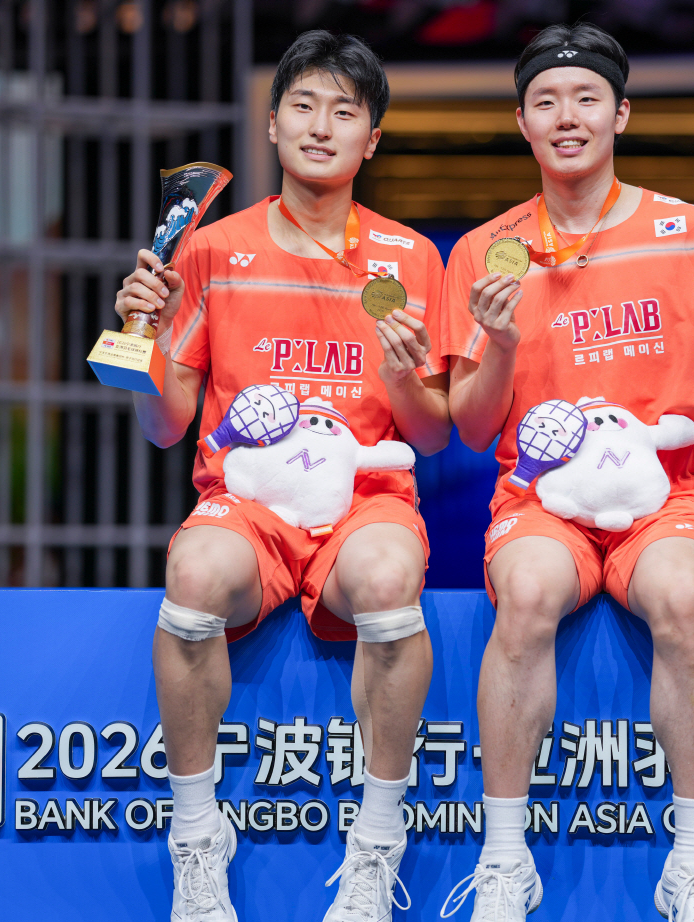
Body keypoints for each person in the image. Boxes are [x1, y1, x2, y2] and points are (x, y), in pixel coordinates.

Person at [438, 22, 694, 922]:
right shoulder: (485, 252)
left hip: (672, 499)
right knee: (529, 591)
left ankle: (692, 864)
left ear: (619, 113)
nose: (567, 116)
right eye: (546, 101)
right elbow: (471, 428)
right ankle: (505, 861)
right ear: (522, 122)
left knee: (675, 593)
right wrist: (500, 342)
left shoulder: (692, 230)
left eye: (586, 98)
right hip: (544, 505)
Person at [115, 31, 450, 922]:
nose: (321, 125)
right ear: (271, 124)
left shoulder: (412, 260)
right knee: (190, 580)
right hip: (246, 505)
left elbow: (433, 433)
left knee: (388, 578)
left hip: (365, 502)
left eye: (345, 111)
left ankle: (378, 847)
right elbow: (165, 427)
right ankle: (197, 840)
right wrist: (141, 344)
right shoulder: (212, 250)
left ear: (371, 140)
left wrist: (407, 375)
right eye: (303, 105)